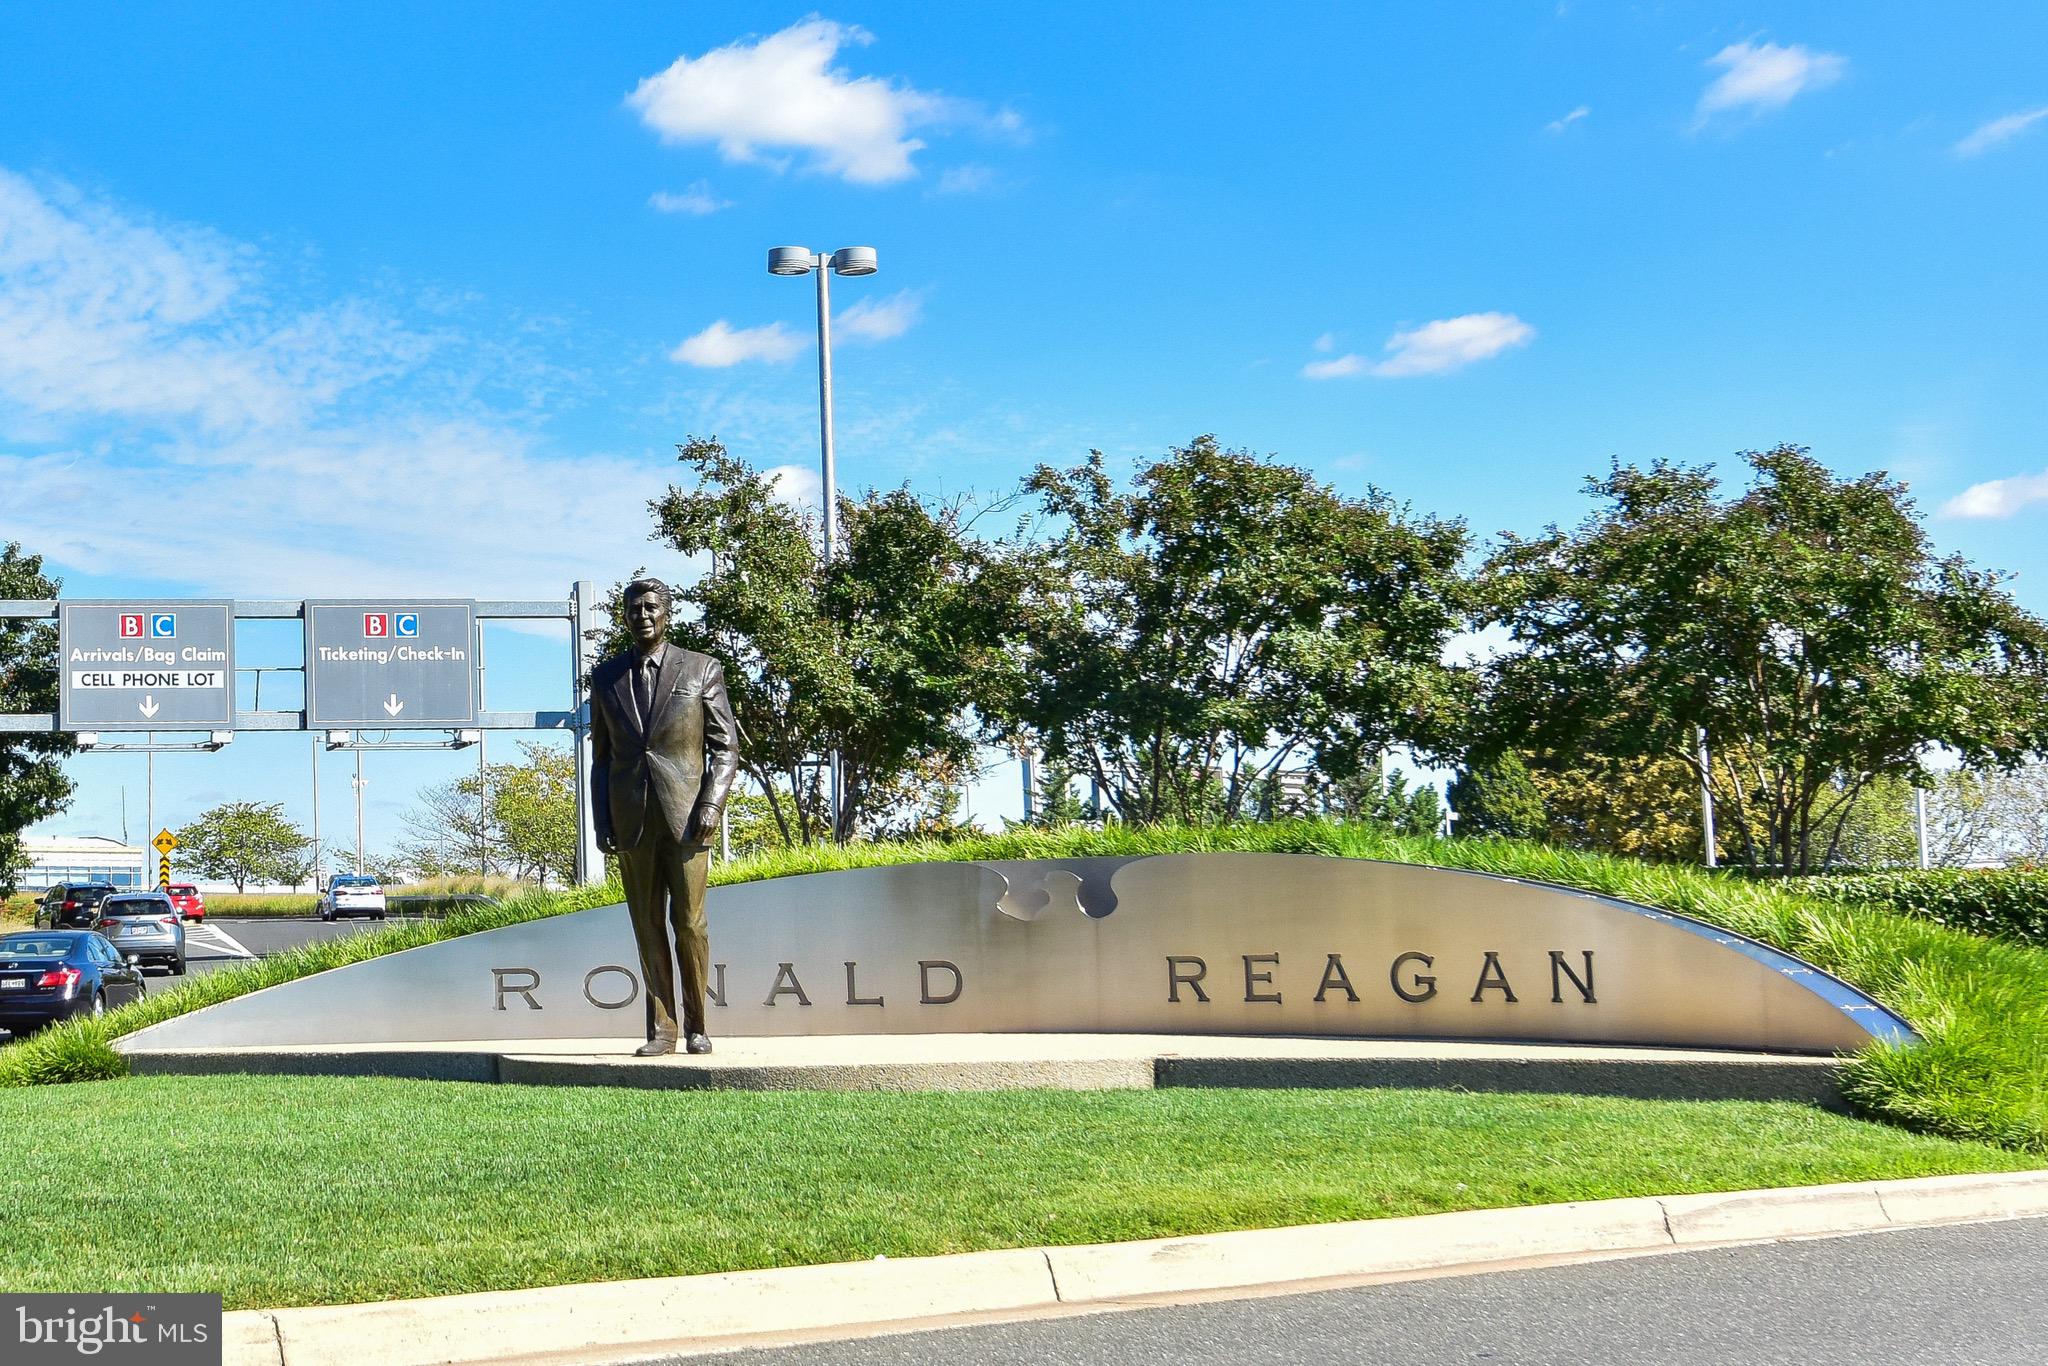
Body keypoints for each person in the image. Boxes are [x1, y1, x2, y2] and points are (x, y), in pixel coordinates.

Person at [589, 577, 739, 1056]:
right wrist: (602, 820)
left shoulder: (700, 668)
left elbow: (726, 748)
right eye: (634, 609)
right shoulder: (606, 678)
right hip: (631, 820)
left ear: (667, 613)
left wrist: (711, 804)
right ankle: (662, 1030)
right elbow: (602, 759)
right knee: (646, 924)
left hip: (689, 818)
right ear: (625, 616)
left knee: (690, 924)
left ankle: (698, 1026)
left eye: (651, 607)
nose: (643, 616)